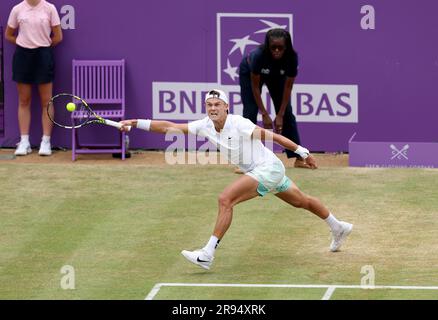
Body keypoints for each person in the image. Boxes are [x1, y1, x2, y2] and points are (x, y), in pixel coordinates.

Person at [120, 89, 353, 270]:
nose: (213, 108)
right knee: (302, 201)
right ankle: (338, 226)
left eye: (217, 105)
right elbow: (170, 127)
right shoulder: (204, 125)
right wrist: (136, 123)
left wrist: (302, 152)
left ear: (226, 107)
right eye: (209, 105)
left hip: (268, 168)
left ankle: (207, 254)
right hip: (266, 171)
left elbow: (274, 136)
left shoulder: (240, 124)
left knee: (226, 199)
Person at [239, 28, 310, 168]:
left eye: (280, 48)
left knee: (288, 115)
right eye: (273, 47)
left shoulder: (291, 58)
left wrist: (280, 114)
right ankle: (245, 161)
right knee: (249, 113)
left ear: (286, 47)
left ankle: (299, 158)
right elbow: (255, 87)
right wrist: (264, 113)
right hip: (249, 73)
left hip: (276, 76)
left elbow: (288, 87)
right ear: (267, 46)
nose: (277, 50)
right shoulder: (259, 56)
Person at [5, 0, 63, 156]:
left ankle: (46, 141)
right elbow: (8, 35)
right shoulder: (17, 9)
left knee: (47, 101)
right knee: (24, 100)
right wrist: (23, 43)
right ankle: (24, 142)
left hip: (43, 56)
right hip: (22, 57)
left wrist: (42, 46)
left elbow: (57, 36)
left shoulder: (49, 8)